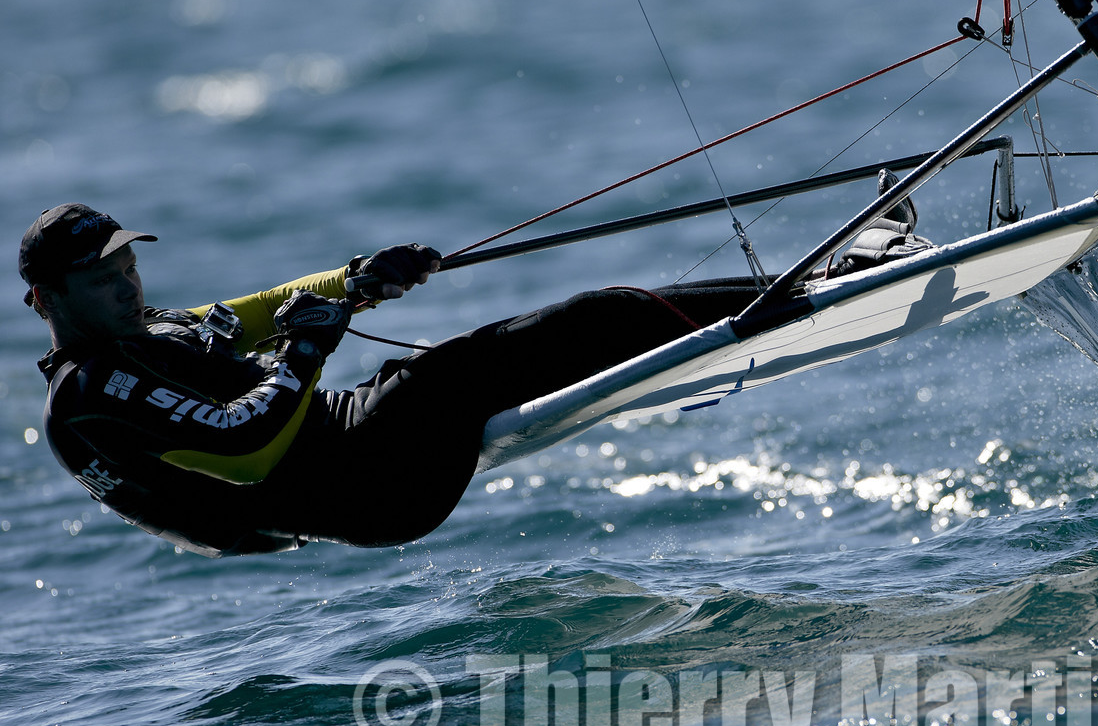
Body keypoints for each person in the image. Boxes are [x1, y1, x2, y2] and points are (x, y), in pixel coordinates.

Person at [22, 202, 761, 556]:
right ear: (48, 301)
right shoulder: (88, 397)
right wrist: (307, 353)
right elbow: (246, 447)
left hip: (359, 441)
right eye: (101, 282)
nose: (127, 290)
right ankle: (801, 289)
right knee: (583, 323)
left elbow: (261, 309)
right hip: (361, 482)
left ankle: (781, 294)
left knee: (551, 340)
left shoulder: (142, 331)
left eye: (130, 269)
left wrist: (356, 280)